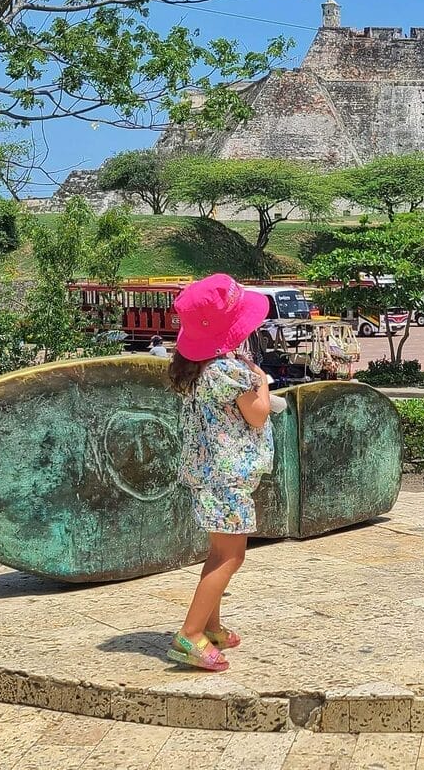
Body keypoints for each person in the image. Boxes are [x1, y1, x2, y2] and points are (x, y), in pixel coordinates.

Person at [166, 274, 285, 672]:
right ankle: (191, 633)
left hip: (209, 474)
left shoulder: (197, 369)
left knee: (218, 552)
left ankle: (211, 626)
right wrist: (262, 382)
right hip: (228, 477)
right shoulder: (227, 372)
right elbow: (257, 414)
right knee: (231, 557)